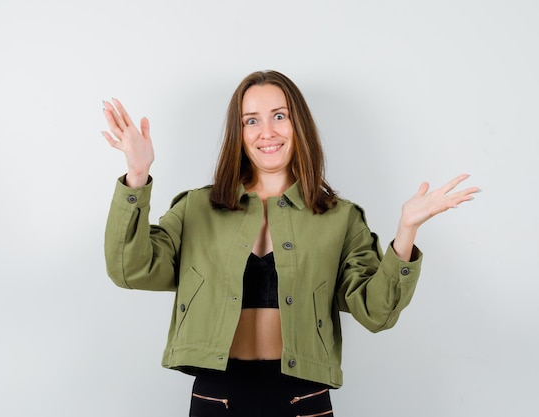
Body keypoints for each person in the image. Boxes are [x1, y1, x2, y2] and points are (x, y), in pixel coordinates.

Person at [101, 70, 479, 417]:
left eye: (279, 116)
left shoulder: (340, 218)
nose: (267, 131)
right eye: (252, 120)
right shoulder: (196, 208)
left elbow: (376, 313)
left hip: (303, 400)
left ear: (299, 125)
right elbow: (131, 269)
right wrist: (137, 176)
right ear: (240, 132)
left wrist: (407, 229)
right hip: (218, 398)